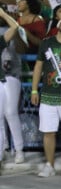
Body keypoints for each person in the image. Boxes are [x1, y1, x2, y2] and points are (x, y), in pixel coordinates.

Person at [31, 11, 61, 177]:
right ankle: (49, 165)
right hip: (48, 96)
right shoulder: (47, 43)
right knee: (48, 131)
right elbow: (38, 67)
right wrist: (35, 89)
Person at [0, 8, 24, 163]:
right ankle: (2, 150)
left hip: (7, 77)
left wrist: (2, 14)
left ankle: (19, 150)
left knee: (10, 113)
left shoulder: (1, 38)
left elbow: (15, 27)